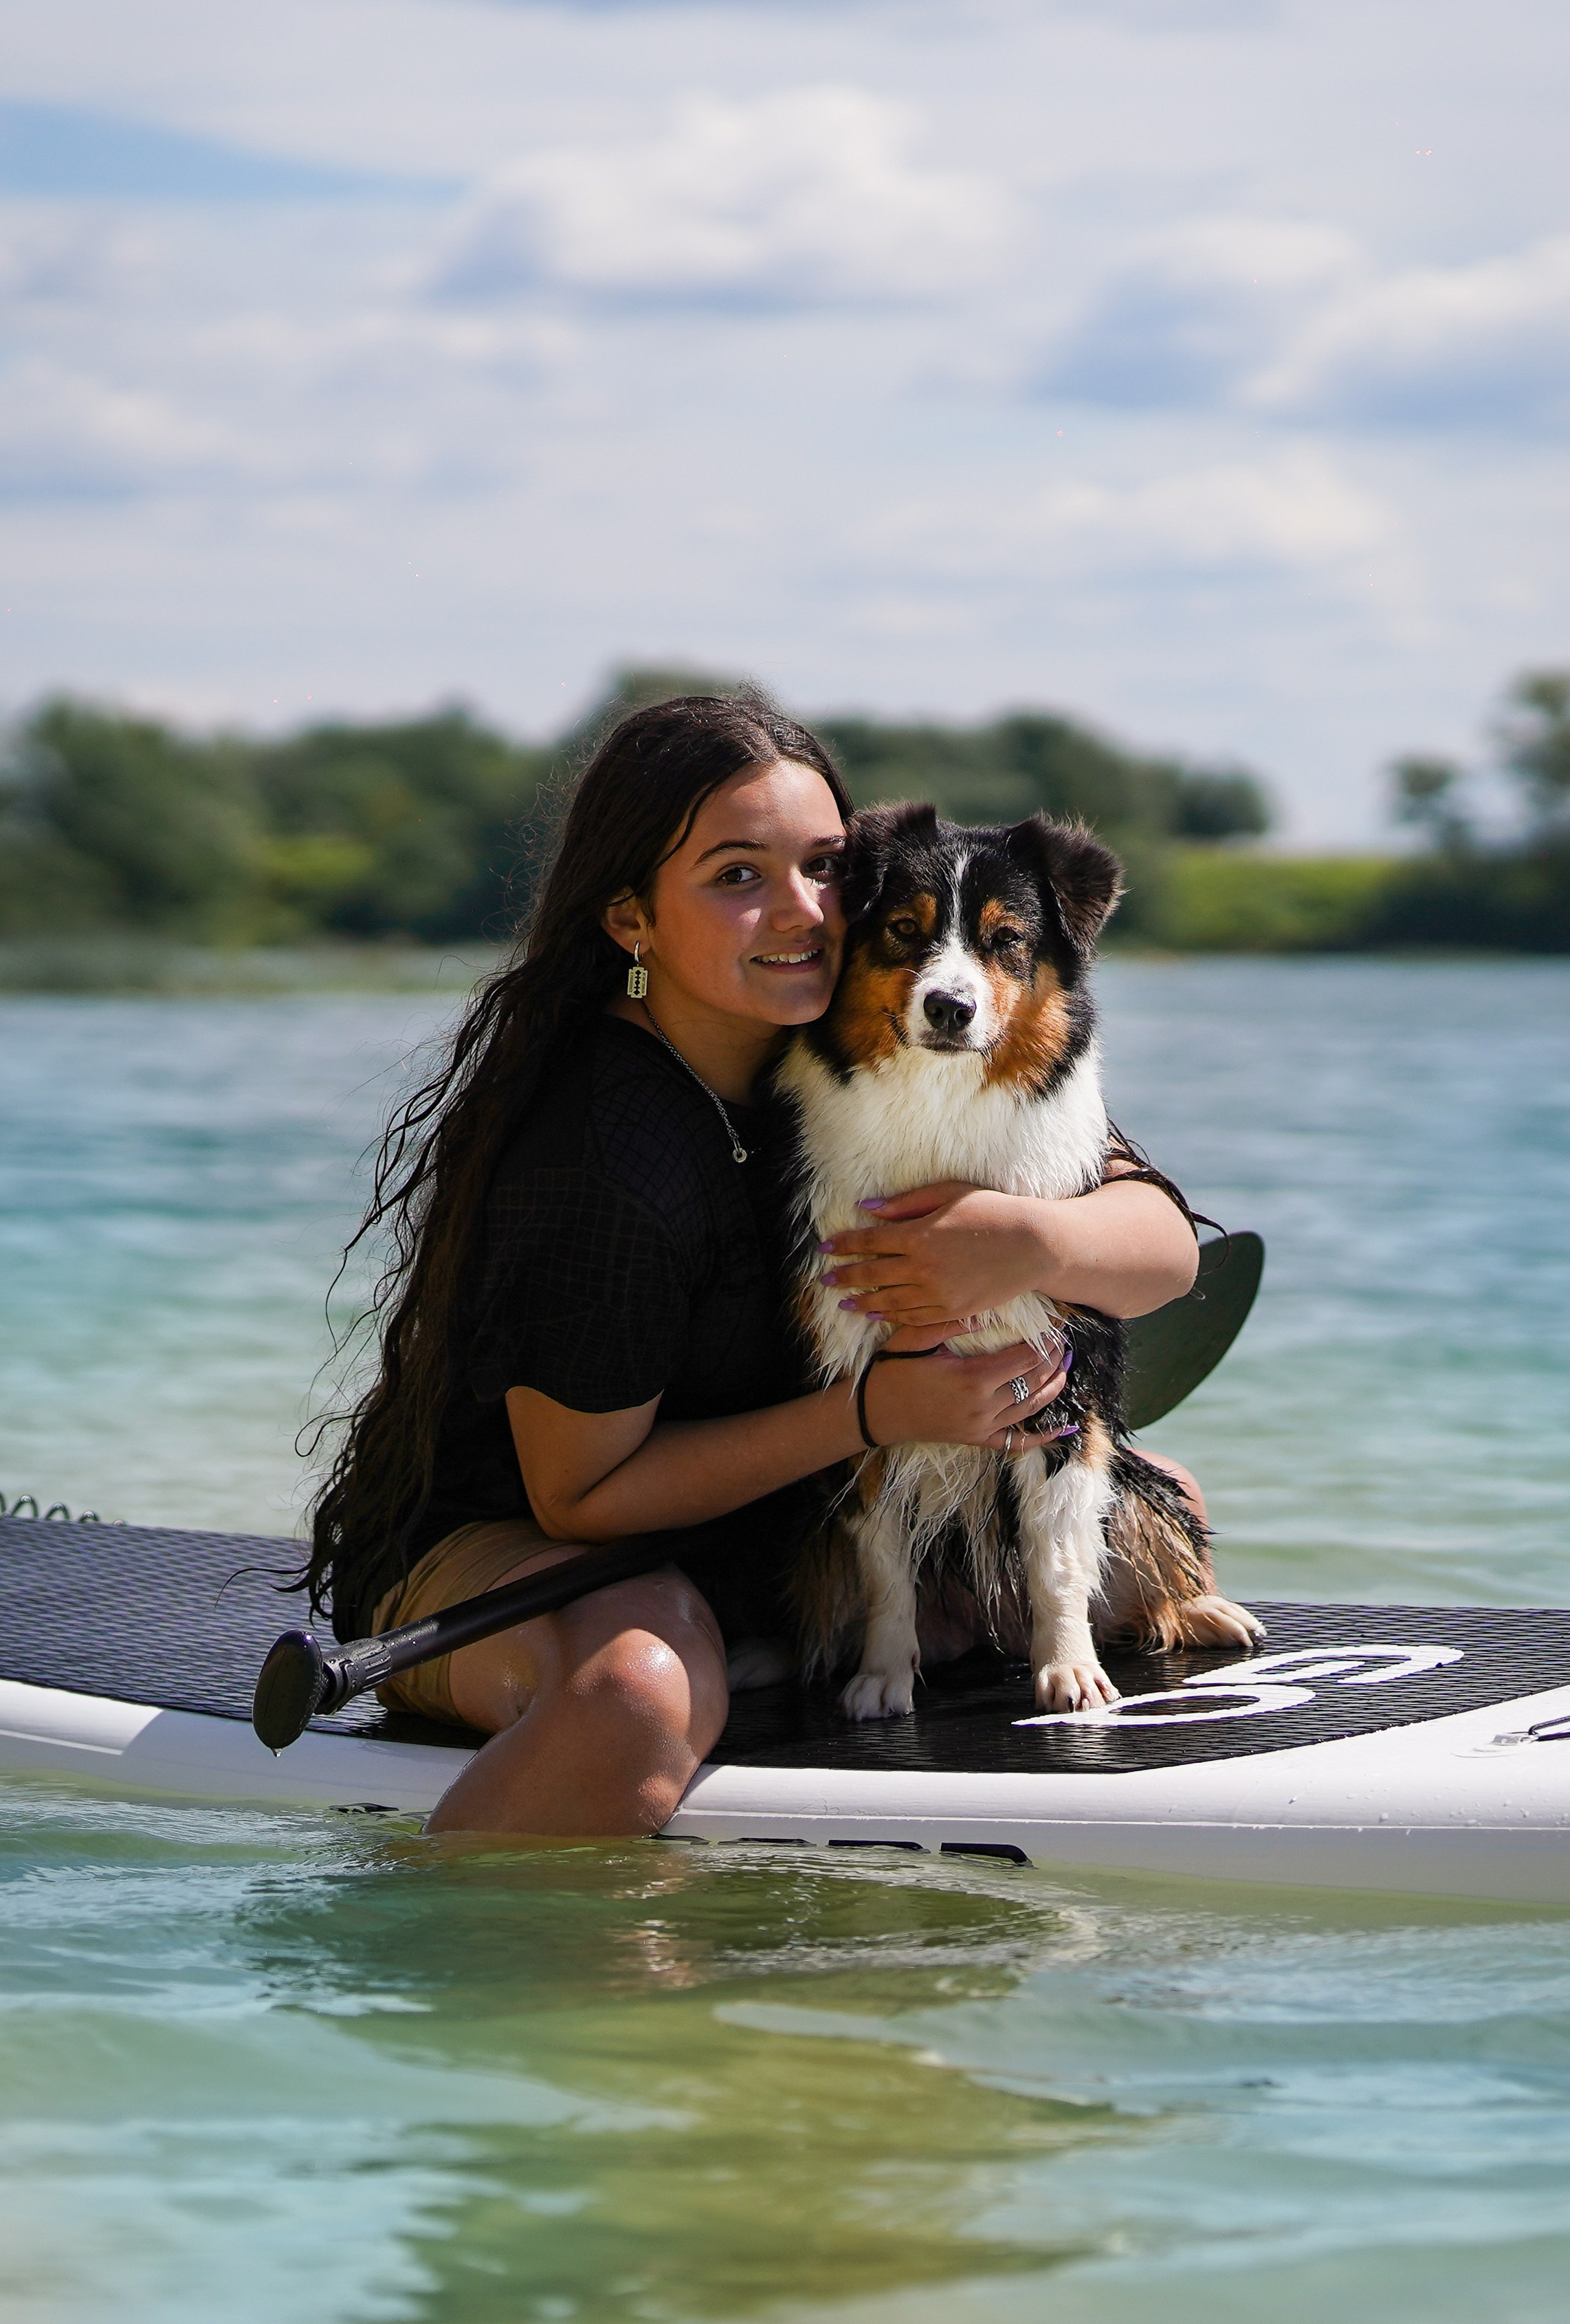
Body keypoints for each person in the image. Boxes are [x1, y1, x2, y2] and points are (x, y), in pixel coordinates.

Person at [302, 690, 1218, 1838]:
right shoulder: (609, 1149)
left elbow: (1165, 1250)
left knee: (1152, 1517)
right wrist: (878, 1410)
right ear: (632, 919)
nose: (804, 913)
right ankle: (449, 1985)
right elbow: (580, 1496)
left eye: (826, 868)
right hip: (523, 1551)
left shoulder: (882, 1035)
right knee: (642, 1690)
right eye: (738, 876)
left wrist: (1030, 1242)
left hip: (775, 1525)